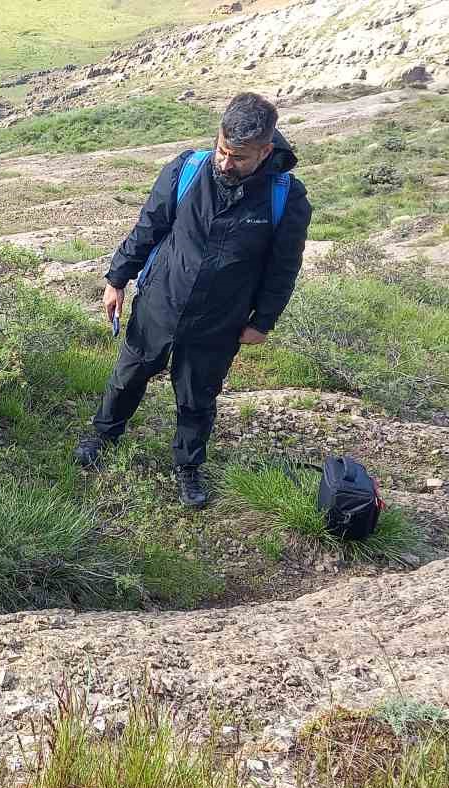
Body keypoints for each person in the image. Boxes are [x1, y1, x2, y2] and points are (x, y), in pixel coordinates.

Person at [73, 92, 311, 508]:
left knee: (197, 396)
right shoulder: (186, 169)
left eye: (237, 157)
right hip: (160, 301)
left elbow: (283, 267)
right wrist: (117, 279)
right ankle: (103, 435)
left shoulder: (285, 197)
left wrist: (263, 321)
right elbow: (149, 225)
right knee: (127, 376)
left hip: (220, 320)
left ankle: (188, 467)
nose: (225, 163)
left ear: (265, 151)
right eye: (222, 150)